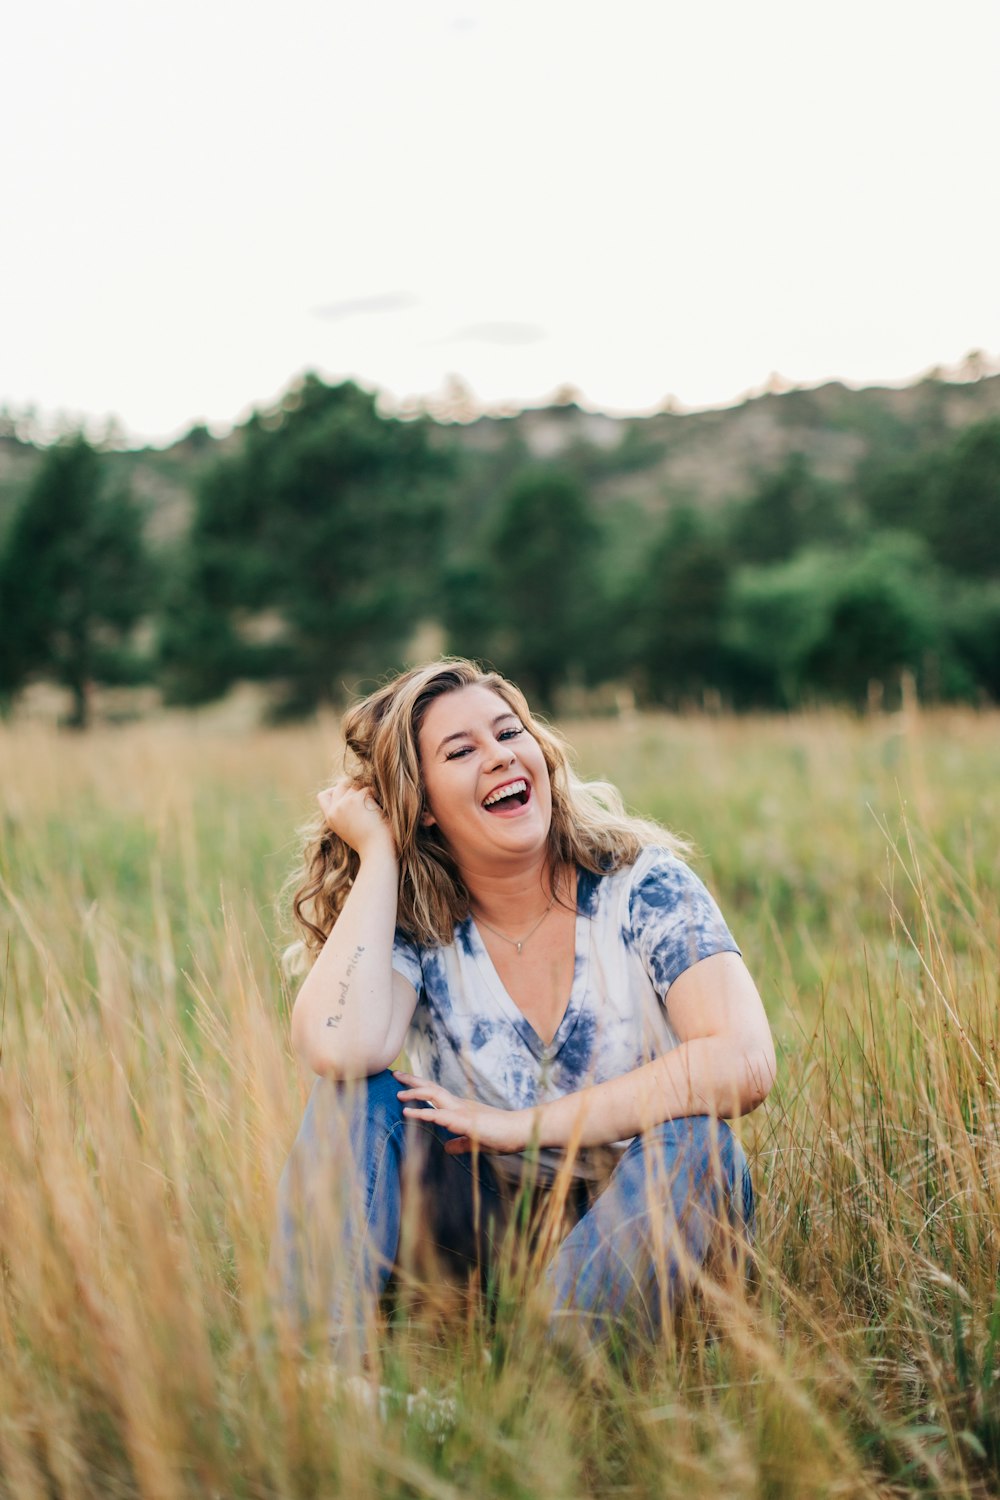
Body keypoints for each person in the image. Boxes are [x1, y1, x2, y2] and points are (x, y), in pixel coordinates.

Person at [271, 659, 775, 1364]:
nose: (501, 754)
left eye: (509, 732)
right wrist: (381, 853)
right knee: (357, 1099)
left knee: (701, 1145)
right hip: (489, 1236)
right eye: (461, 750)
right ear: (421, 803)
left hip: (645, 1223)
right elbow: (338, 1046)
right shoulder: (421, 925)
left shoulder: (643, 886)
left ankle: (540, 1383)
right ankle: (319, 1379)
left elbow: (743, 1061)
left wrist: (519, 1129)